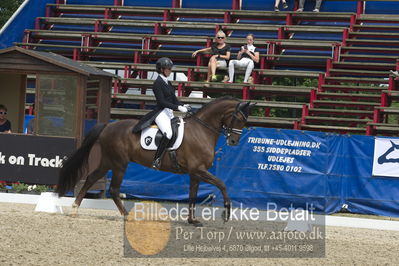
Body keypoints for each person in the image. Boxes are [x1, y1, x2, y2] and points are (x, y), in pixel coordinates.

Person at [132, 57, 191, 169]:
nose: (170, 70)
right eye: (168, 69)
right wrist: (178, 107)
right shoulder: (157, 83)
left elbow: (173, 98)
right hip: (161, 112)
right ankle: (157, 159)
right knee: (168, 133)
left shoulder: (168, 82)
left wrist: (183, 105)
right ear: (162, 69)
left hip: (169, 112)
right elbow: (162, 102)